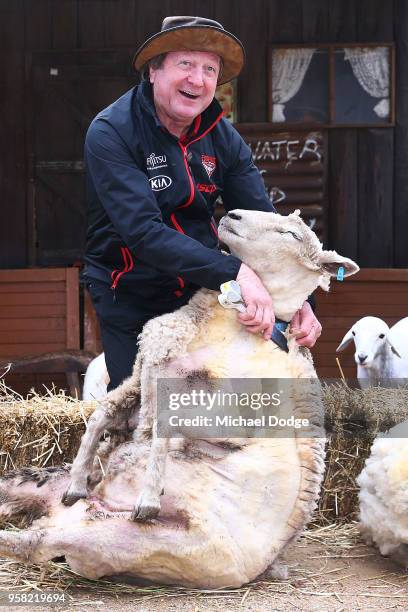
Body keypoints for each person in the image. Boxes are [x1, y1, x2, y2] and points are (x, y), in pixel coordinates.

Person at [83, 15, 322, 391]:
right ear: (153, 71)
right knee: (141, 411)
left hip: (202, 289)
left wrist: (296, 298)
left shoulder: (222, 136)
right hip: (130, 289)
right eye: (186, 64)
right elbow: (144, 233)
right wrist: (236, 272)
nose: (198, 79)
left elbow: (265, 225)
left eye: (210, 69)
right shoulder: (112, 131)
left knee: (217, 406)